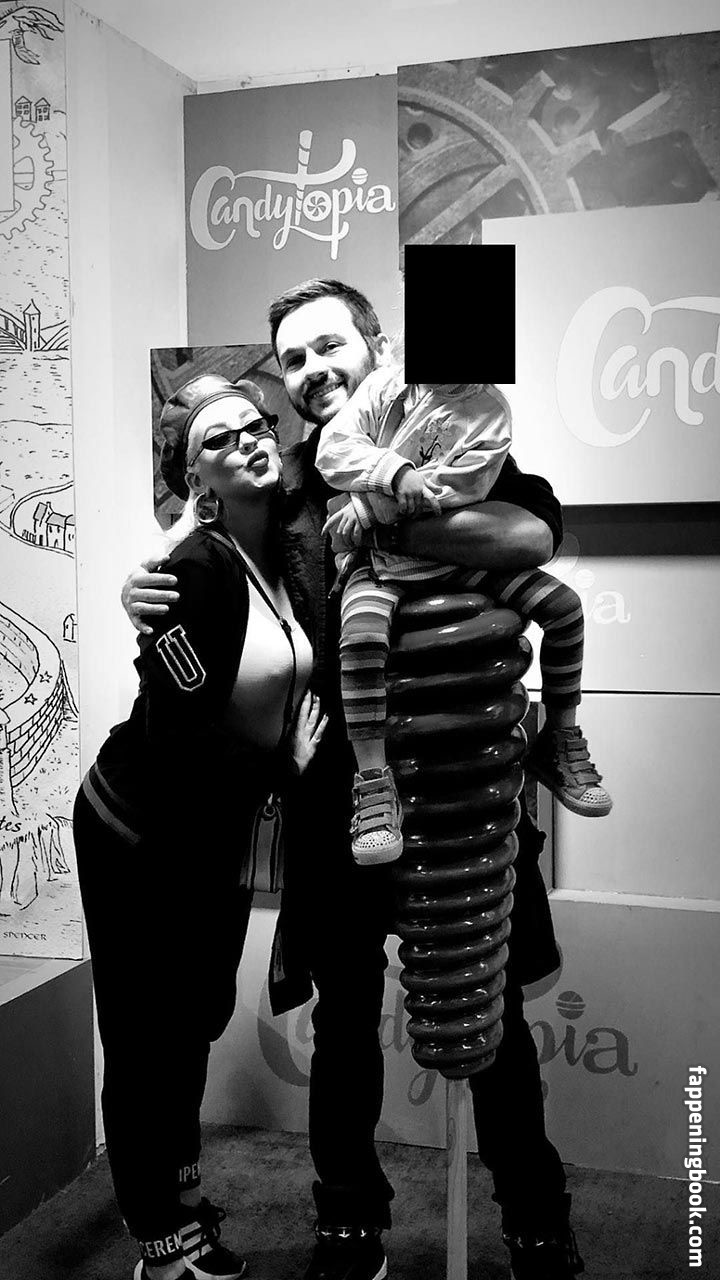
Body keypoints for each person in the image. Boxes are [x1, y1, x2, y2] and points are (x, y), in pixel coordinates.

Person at [123, 280, 585, 1280]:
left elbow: (532, 531)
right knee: (343, 1023)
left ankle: (538, 1219)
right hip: (341, 804)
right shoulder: (287, 482)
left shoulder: (447, 435)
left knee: (494, 1011)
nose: (312, 371)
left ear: (377, 344)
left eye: (330, 345)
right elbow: (205, 549)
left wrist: (389, 521)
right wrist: (145, 583)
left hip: (464, 795)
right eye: (293, 359)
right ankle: (348, 1221)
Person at [75, 374, 326, 1280]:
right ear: (196, 481)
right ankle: (158, 1239)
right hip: (138, 831)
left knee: (194, 1020)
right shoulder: (197, 568)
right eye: (219, 439)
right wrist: (281, 766)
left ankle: (181, 1197)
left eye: (257, 425)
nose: (249, 439)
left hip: (214, 835)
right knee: (147, 1034)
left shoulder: (284, 557)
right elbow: (178, 734)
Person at [314, 358, 612, 863]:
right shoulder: (386, 386)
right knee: (361, 638)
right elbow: (334, 449)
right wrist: (393, 472)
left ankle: (560, 736)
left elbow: (461, 488)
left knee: (564, 608)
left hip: (455, 561)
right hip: (381, 567)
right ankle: (373, 779)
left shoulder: (488, 410)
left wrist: (368, 508)